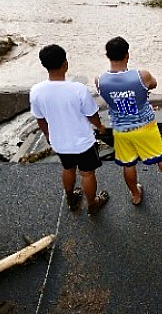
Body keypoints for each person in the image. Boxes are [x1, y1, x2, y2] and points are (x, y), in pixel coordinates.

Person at [97, 37, 162, 204]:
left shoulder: (100, 80)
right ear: (127, 55)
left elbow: (105, 95)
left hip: (120, 128)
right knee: (160, 156)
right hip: (145, 125)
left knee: (128, 164)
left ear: (107, 56)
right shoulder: (141, 76)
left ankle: (136, 195)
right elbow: (153, 84)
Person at [30, 44, 109, 215]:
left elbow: (40, 119)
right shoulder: (78, 89)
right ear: (65, 64)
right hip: (82, 142)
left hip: (60, 142)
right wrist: (100, 126)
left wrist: (48, 135)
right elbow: (92, 114)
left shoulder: (36, 91)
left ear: (44, 65)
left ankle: (70, 196)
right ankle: (92, 204)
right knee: (87, 174)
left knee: (68, 169)